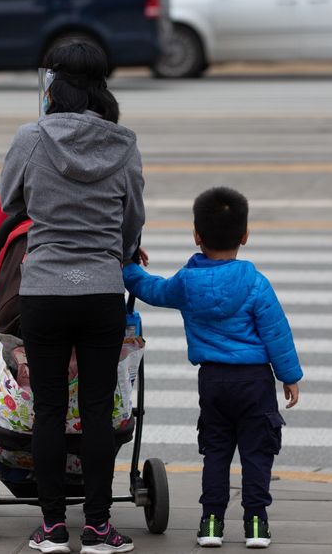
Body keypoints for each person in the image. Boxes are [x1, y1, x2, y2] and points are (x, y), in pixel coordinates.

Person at [0, 40, 144, 554]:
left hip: (44, 292)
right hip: (102, 290)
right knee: (99, 407)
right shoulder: (123, 143)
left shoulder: (30, 138)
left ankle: (53, 528)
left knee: (49, 411)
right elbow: (133, 221)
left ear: (52, 85)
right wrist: (117, 250)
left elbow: (11, 202)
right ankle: (101, 527)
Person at [121, 187, 303, 550]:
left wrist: (127, 267)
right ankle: (255, 524)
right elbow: (276, 332)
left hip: (213, 380)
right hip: (254, 381)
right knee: (256, 453)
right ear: (245, 235)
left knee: (216, 451)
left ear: (196, 234)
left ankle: (211, 524)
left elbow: (153, 290)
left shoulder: (188, 282)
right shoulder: (254, 282)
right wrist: (290, 376)